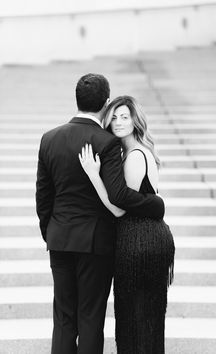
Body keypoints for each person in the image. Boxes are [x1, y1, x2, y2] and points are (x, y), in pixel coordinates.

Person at [36, 74, 165, 354]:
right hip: (96, 243)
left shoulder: (49, 139)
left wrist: (51, 232)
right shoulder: (107, 142)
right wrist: (155, 204)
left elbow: (43, 198)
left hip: (60, 239)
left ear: (77, 100)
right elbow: (119, 196)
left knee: (64, 319)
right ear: (106, 104)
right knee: (91, 318)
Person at [79, 95, 175, 354]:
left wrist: (93, 175)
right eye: (114, 117)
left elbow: (119, 207)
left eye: (125, 116)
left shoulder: (134, 156)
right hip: (149, 238)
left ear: (135, 120)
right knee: (148, 317)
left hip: (139, 241)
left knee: (134, 318)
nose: (119, 122)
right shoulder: (141, 152)